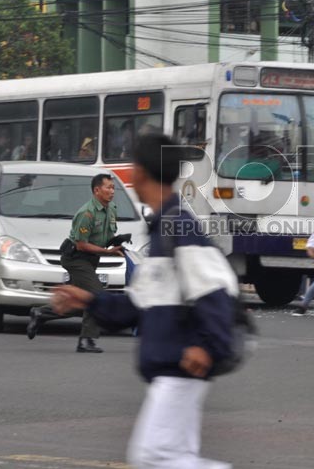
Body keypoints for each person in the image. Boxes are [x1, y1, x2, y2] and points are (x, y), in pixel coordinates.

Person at [51, 133, 236, 469]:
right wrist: (88, 300)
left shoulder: (179, 225)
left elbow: (217, 291)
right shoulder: (163, 226)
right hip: (171, 368)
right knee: (172, 458)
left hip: (180, 367)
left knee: (152, 456)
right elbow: (137, 306)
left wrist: (207, 347)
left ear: (140, 172)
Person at [26, 173, 123, 353]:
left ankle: (41, 313)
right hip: (76, 258)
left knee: (79, 300)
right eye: (108, 187)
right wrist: (107, 252)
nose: (112, 191)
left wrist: (117, 240)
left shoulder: (111, 209)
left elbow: (104, 237)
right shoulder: (86, 213)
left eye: (113, 188)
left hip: (91, 260)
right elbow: (81, 244)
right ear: (96, 190)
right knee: (97, 296)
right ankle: (87, 340)